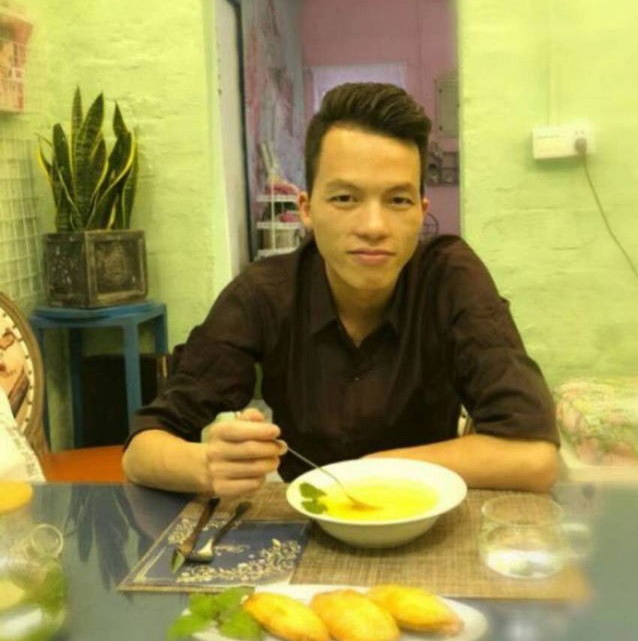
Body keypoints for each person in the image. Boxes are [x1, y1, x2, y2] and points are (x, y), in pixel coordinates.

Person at [123, 83, 559, 497]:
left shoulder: (449, 278)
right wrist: (208, 464)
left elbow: (535, 456)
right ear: (307, 209)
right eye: (345, 199)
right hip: (304, 528)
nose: (373, 226)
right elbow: (141, 451)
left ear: (421, 210)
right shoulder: (263, 294)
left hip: (428, 522)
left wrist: (372, 471)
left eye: (398, 200)